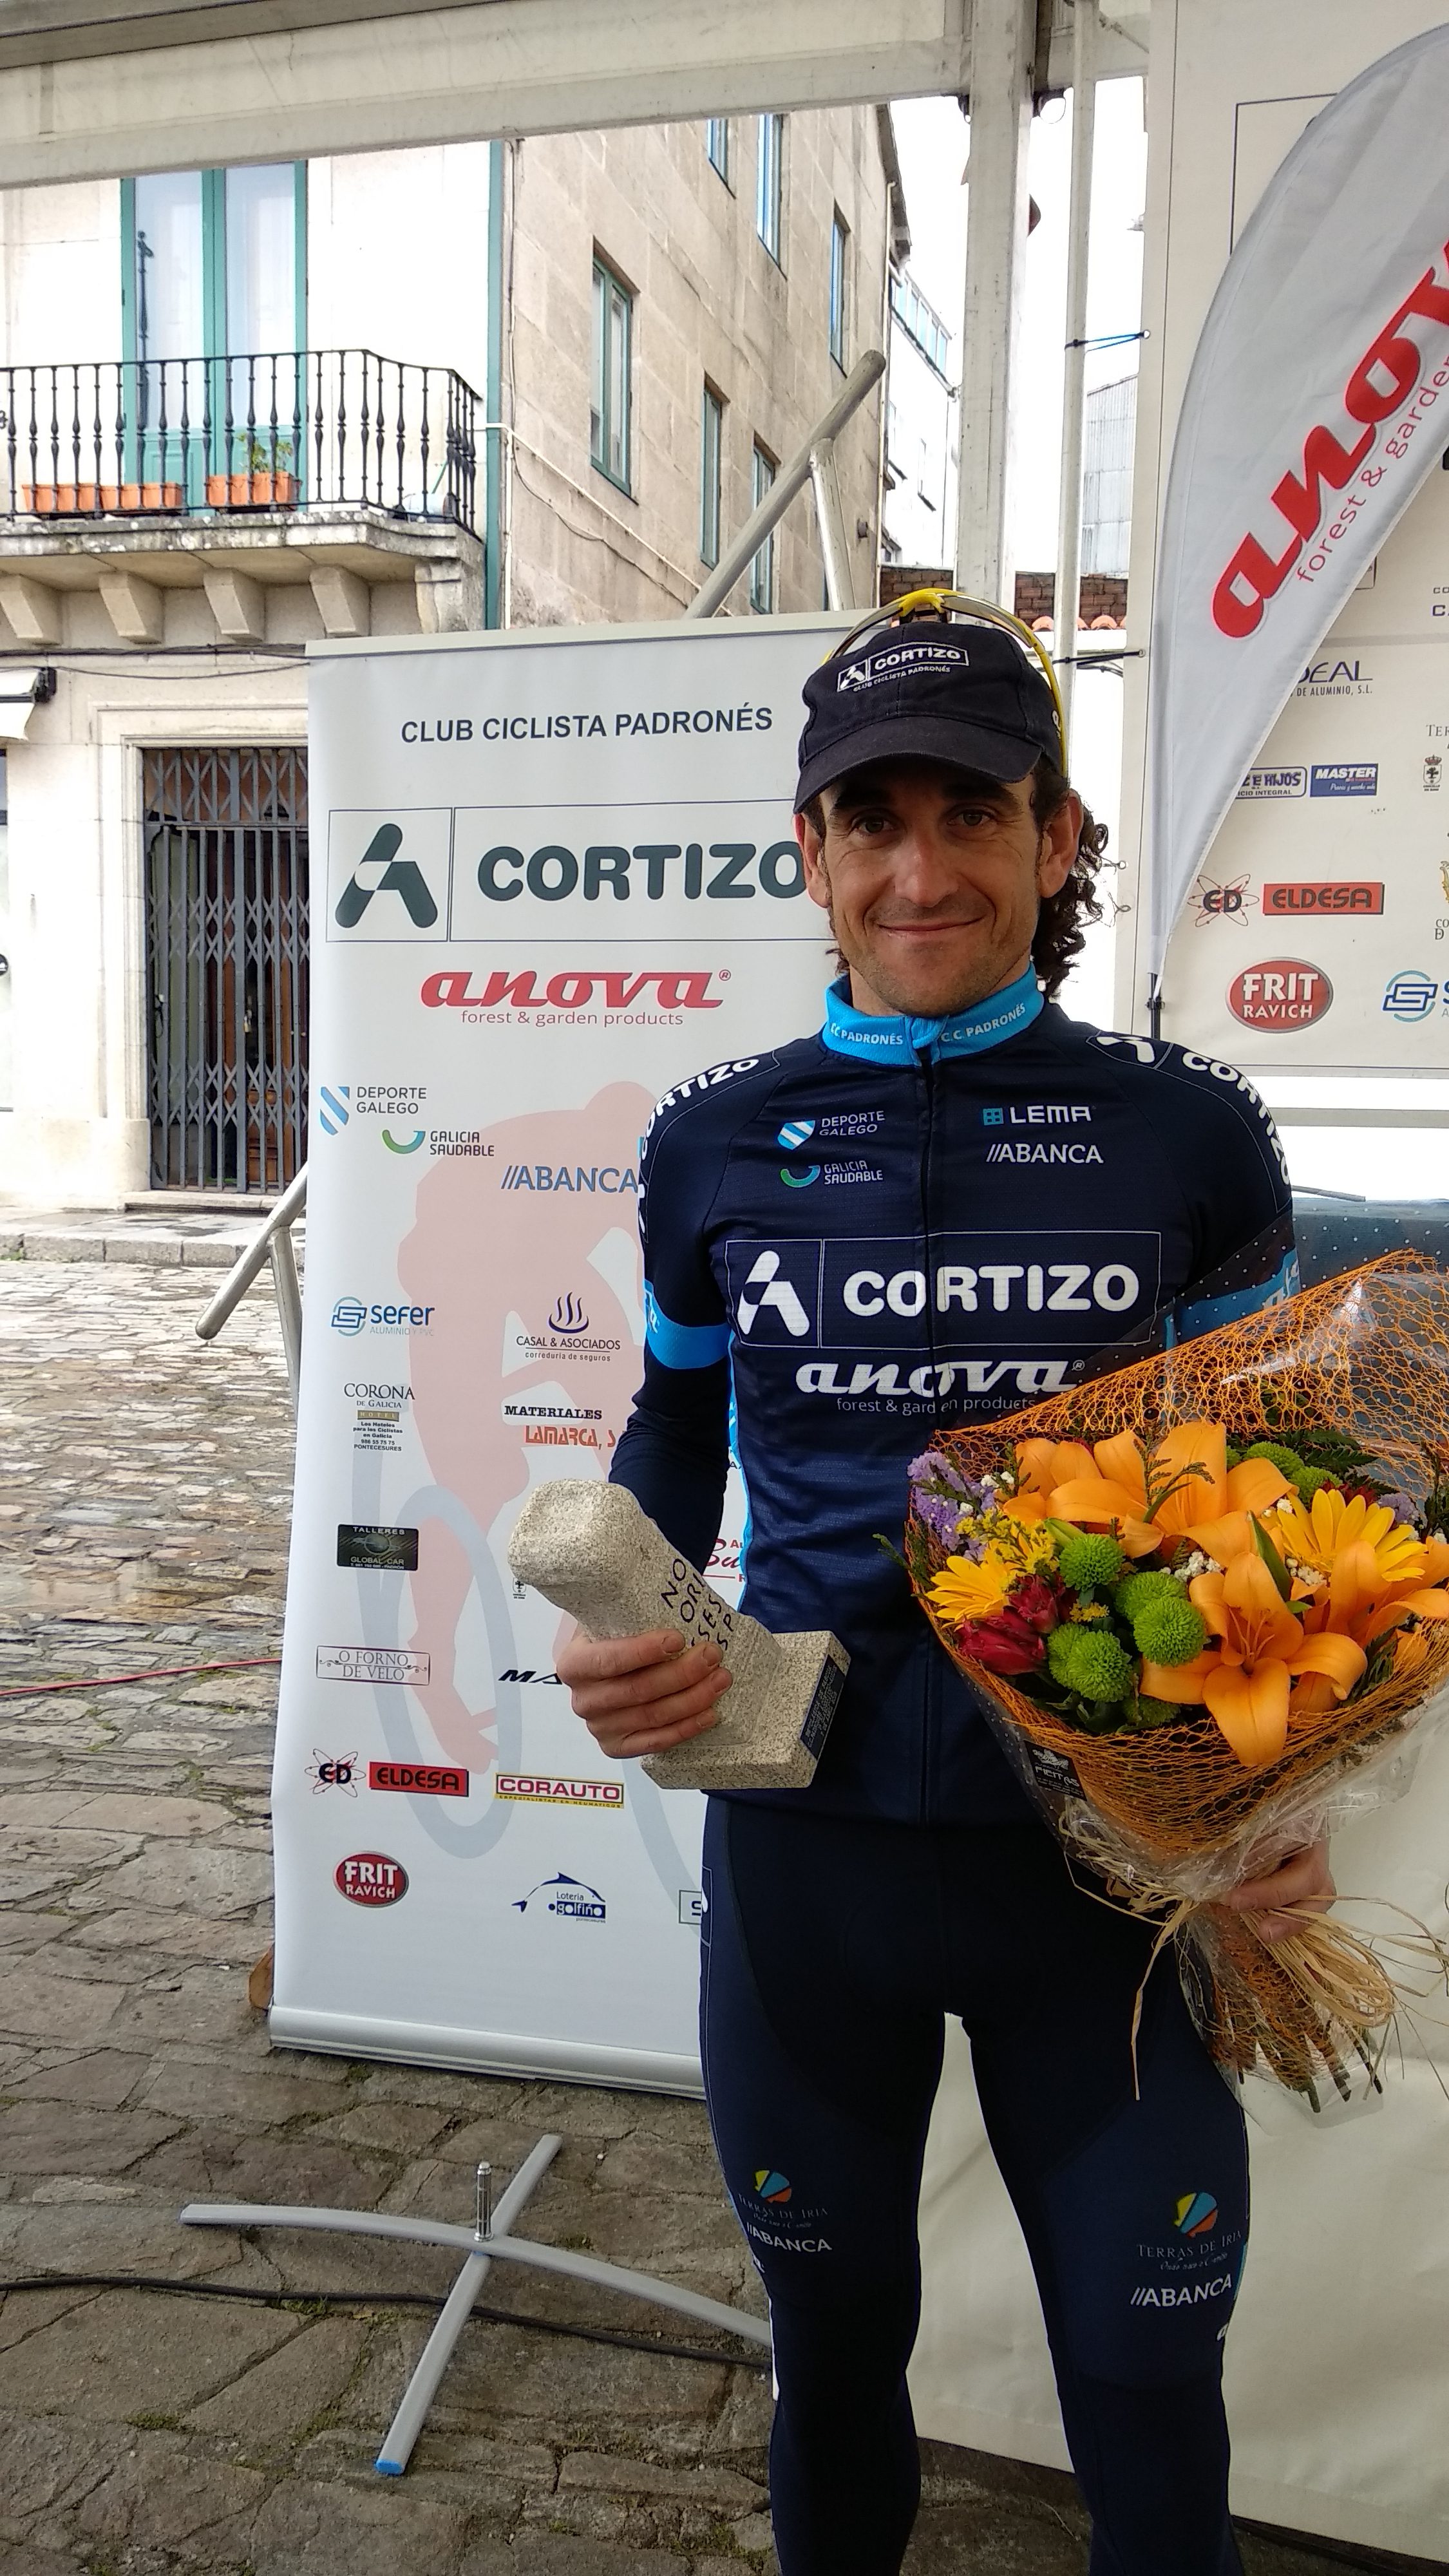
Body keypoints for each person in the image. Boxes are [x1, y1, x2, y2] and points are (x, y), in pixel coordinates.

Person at [558, 594, 1331, 2576]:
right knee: (831, 2357)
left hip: (1111, 1880)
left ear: (1053, 838)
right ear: (807, 853)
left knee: (1147, 2381)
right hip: (805, 1865)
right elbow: (676, 1423)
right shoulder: (710, 1145)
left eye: (970, 814)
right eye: (871, 821)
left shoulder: (1191, 1132)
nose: (921, 871)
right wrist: (634, 1609)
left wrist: (1277, 1772)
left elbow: (1268, 1479)